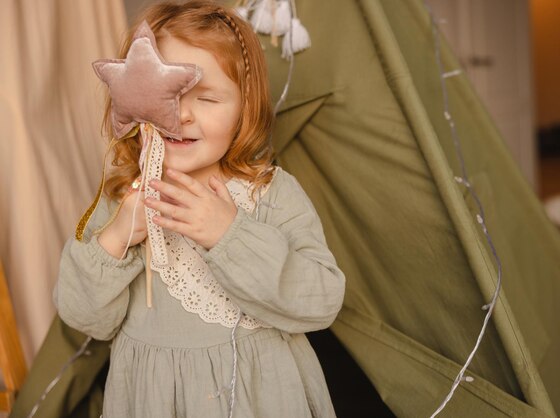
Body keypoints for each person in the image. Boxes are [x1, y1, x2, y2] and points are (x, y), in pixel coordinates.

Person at [53, 2, 346, 417]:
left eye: (206, 97)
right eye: (166, 93)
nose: (182, 114)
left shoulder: (270, 192)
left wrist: (230, 235)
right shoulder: (124, 195)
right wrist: (118, 236)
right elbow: (86, 318)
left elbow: (320, 302)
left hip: (260, 399)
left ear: (245, 108)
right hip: (156, 400)